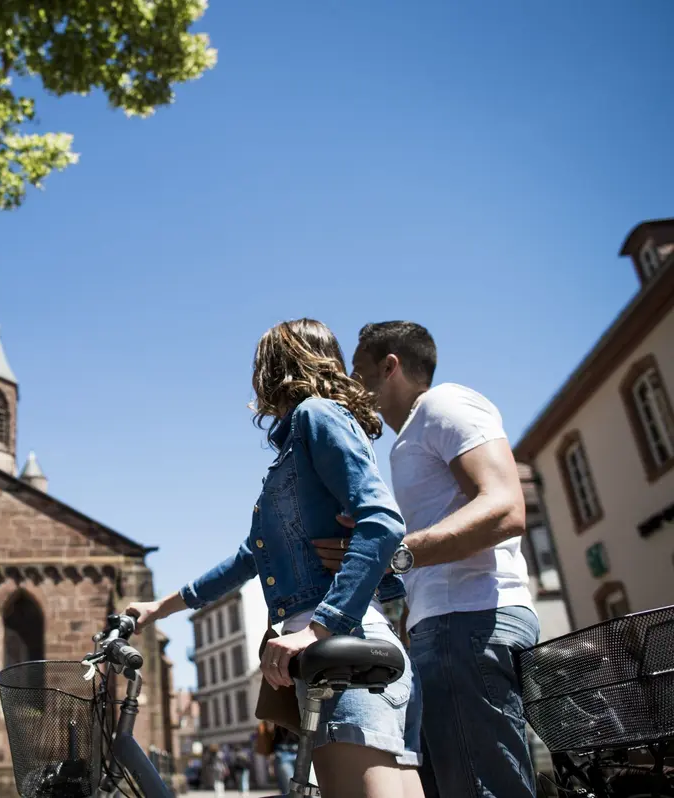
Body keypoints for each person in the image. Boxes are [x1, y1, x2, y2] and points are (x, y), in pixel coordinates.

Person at [127, 319, 424, 798]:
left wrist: (318, 628)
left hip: (342, 655)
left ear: (277, 366)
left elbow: (383, 522)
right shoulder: (298, 444)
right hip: (341, 657)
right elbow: (246, 559)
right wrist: (157, 610)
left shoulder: (316, 415)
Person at [315, 321, 539, 798]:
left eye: (359, 372)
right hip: (448, 627)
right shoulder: (408, 438)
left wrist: (391, 555)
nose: (354, 387)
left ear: (389, 366)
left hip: (470, 620)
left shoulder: (444, 404)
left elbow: (504, 507)